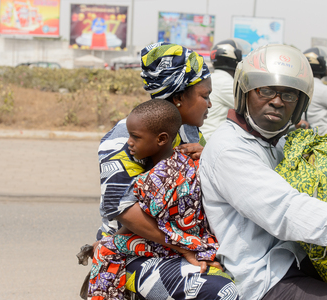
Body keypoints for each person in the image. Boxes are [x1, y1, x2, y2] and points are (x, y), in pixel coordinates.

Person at [199, 44, 327, 300]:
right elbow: (286, 211)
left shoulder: (283, 141)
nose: (277, 101)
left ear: (300, 104)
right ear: (244, 93)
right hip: (264, 277)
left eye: (289, 95)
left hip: (303, 259)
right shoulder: (230, 150)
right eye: (265, 90)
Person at [94, 42, 239, 300]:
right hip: (134, 251)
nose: (210, 105)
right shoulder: (124, 140)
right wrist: (186, 248)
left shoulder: (188, 132)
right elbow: (124, 212)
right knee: (224, 292)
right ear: (179, 97)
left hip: (180, 242)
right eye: (205, 96)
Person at [88, 99, 221, 300]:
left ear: (161, 139)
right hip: (200, 238)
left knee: (105, 250)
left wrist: (109, 240)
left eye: (135, 137)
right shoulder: (185, 158)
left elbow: (136, 220)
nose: (128, 142)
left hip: (181, 242)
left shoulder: (154, 178)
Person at [200, 38, 251, 141]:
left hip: (204, 137)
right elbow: (250, 107)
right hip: (212, 139)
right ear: (235, 60)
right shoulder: (225, 83)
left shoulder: (212, 78)